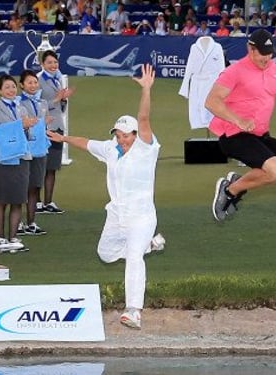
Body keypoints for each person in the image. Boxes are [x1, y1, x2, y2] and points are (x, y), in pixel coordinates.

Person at [46, 65, 165, 329]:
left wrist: (146, 89)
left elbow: (144, 119)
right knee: (105, 254)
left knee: (134, 258)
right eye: (119, 135)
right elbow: (86, 143)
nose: (122, 140)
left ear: (136, 135)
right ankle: (150, 245)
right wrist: (62, 137)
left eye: (126, 136)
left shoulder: (147, 147)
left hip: (142, 215)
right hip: (116, 214)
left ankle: (133, 310)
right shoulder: (111, 148)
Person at [206, 29, 276, 221]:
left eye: (270, 53)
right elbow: (212, 102)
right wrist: (238, 120)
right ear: (250, 49)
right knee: (275, 170)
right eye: (263, 53)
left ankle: (238, 185)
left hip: (260, 136)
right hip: (233, 135)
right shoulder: (234, 71)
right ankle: (230, 191)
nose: (267, 57)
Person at [0, 74, 40, 251]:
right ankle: (0, 237)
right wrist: (20, 125)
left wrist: (29, 126)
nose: (11, 90)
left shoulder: (22, 108)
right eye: (7, 87)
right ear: (0, 90)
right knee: (2, 200)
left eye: (13, 87)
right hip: (4, 158)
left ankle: (13, 238)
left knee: (18, 200)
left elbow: (28, 136)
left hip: (22, 157)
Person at [38, 51, 73, 215]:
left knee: (52, 167)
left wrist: (64, 100)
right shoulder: (38, 82)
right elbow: (37, 107)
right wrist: (57, 100)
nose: (53, 65)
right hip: (43, 129)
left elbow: (61, 109)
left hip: (57, 127)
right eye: (50, 63)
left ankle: (48, 202)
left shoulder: (57, 80)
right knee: (39, 167)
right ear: (42, 64)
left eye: (55, 62)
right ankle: (37, 202)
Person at [16, 71, 49, 238]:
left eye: (35, 82)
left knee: (35, 187)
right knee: (23, 188)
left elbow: (44, 122)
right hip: (25, 150)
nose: (33, 85)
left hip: (40, 149)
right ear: (21, 85)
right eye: (29, 82)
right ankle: (19, 222)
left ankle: (31, 222)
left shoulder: (43, 102)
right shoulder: (18, 103)